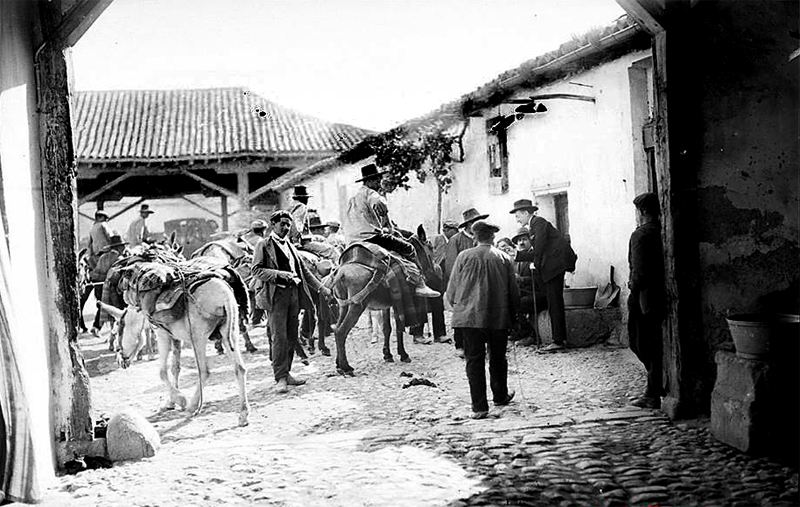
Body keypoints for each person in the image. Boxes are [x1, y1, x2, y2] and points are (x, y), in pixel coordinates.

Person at [251, 210, 332, 393]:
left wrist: (322, 289)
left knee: (291, 336)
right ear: (273, 225)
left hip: (294, 295)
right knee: (278, 337)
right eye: (282, 224)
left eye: (288, 225)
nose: (286, 228)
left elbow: (305, 272)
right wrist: (279, 275)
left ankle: (287, 373)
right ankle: (279, 377)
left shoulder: (290, 245)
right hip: (275, 296)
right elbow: (256, 270)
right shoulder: (264, 245)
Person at [446, 220, 519, 419]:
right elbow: (514, 293)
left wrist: (461, 307)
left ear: (474, 237)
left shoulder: (463, 257)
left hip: (469, 319)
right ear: (493, 237)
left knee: (474, 361)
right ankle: (500, 396)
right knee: (497, 358)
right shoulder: (503, 258)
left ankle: (479, 407)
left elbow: (451, 292)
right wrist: (514, 317)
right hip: (498, 317)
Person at [345, 163, 439, 298]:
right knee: (409, 248)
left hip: (352, 240)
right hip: (371, 237)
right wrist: (383, 210)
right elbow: (377, 201)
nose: (379, 182)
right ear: (369, 181)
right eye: (377, 180)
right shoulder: (371, 193)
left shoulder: (353, 199)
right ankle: (420, 284)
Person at [510, 199, 576, 353]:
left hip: (555, 266)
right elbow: (539, 250)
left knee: (555, 302)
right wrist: (518, 255)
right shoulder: (534, 225)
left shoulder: (538, 222)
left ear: (526, 213)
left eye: (518, 215)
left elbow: (539, 248)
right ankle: (559, 339)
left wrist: (535, 264)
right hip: (552, 266)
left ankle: (558, 341)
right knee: (554, 302)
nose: (517, 219)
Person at [627, 192, 666, 409]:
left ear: (642, 211)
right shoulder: (662, 230)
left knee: (640, 342)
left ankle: (653, 392)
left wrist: (633, 287)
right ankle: (654, 388)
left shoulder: (641, 235)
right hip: (659, 295)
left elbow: (638, 272)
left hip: (644, 297)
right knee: (653, 343)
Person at [443, 207, 487, 354]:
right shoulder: (456, 240)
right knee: (462, 314)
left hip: (481, 283)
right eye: (474, 223)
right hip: (463, 284)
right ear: (468, 225)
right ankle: (460, 345)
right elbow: (451, 266)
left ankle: (480, 344)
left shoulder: (483, 239)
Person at [82, 234, 128, 334]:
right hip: (110, 287)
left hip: (97, 284)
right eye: (123, 246)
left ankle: (97, 327)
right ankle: (103, 329)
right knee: (115, 308)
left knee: (101, 306)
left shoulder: (103, 257)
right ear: (119, 247)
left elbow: (97, 272)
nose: (125, 248)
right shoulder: (119, 259)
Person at [511, 226, 548, 347]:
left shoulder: (536, 255)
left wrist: (521, 279)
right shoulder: (519, 259)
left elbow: (541, 279)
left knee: (518, 304)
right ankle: (519, 331)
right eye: (519, 240)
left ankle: (532, 335)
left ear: (531, 240)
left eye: (524, 239)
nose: (521, 242)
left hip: (540, 294)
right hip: (526, 292)